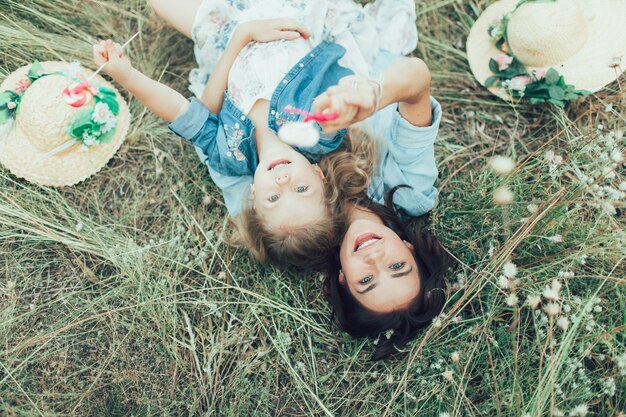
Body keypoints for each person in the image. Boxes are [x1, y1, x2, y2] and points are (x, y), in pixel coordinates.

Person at [93, 0, 419, 270]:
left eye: (273, 199)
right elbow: (341, 76)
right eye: (302, 189)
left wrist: (128, 76)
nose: (283, 182)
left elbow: (185, 112)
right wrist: (342, 102)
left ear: (252, 197)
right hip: (294, 13)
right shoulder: (320, 132)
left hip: (228, 34)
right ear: (320, 176)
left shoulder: (229, 156)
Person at [314, 52, 451, 359]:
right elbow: (417, 79)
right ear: (409, 248)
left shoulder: (300, 224)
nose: (375, 258)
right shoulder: (411, 191)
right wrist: (372, 95)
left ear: (343, 280)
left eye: (366, 280)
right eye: (397, 266)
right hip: (351, 51)